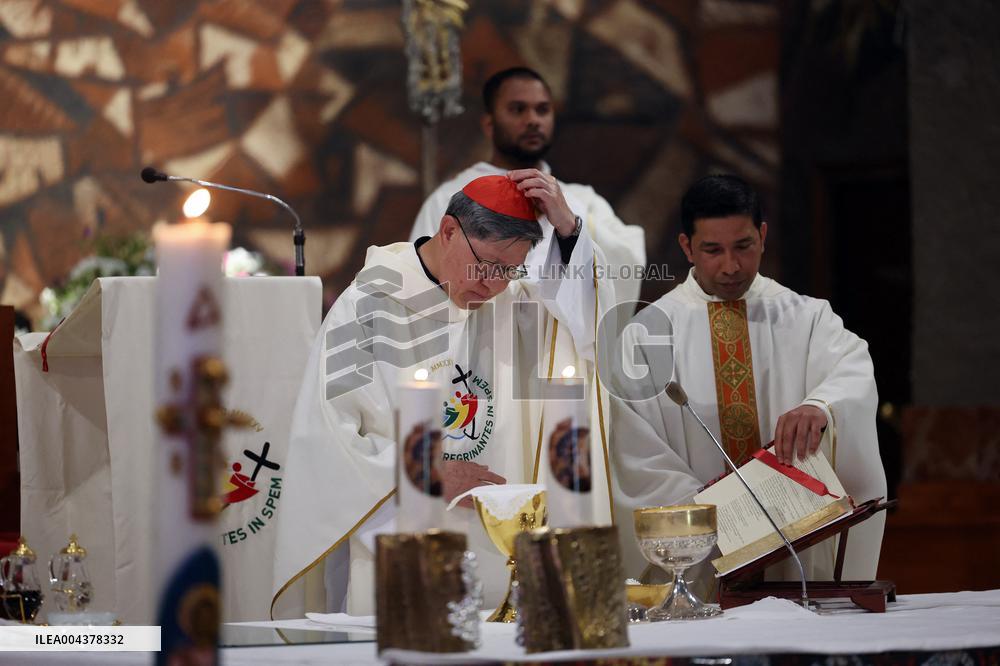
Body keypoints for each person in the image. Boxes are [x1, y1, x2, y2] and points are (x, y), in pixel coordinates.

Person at [273, 173, 617, 618]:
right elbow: (325, 437)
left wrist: (568, 232)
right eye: (487, 265)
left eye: (509, 271)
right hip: (402, 560)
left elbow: (586, 327)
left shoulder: (515, 304)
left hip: (502, 566)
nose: (493, 285)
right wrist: (420, 470)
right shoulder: (370, 305)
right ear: (450, 231)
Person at [610, 174, 887, 584]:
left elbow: (852, 369)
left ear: (762, 235)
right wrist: (722, 516)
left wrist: (821, 406)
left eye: (743, 246)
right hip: (704, 560)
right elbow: (635, 454)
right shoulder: (646, 337)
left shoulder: (808, 318)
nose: (731, 266)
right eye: (712, 250)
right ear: (686, 246)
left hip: (798, 556)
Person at [410, 66, 646, 315]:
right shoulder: (452, 198)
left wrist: (570, 226)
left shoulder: (583, 203)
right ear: (489, 124)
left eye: (542, 110)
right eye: (518, 109)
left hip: (559, 350)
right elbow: (423, 280)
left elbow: (625, 268)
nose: (533, 120)